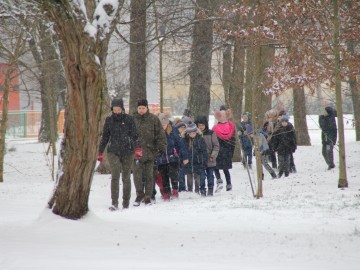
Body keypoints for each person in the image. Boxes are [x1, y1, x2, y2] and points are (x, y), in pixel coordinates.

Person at [98, 98, 139, 211]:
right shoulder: (109, 120)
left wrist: (138, 147)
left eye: (118, 109)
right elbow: (105, 136)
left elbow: (135, 135)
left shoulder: (129, 119)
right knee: (115, 176)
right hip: (113, 151)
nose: (116, 111)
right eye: (114, 109)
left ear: (122, 109)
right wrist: (100, 151)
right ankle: (114, 202)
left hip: (128, 151)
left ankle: (126, 203)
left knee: (126, 177)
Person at [132, 99, 167, 206]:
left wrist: (161, 148)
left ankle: (148, 196)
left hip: (150, 152)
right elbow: (128, 135)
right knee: (137, 176)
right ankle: (139, 195)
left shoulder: (153, 119)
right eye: (139, 108)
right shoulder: (132, 119)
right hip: (136, 153)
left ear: (147, 108)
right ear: (137, 108)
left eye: (143, 108)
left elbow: (160, 135)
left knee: (149, 176)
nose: (141, 110)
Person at [157, 113, 189, 201]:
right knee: (164, 177)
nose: (163, 126)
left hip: (173, 158)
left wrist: (185, 156)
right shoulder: (156, 131)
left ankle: (175, 191)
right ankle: (167, 193)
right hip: (161, 159)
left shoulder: (173, 130)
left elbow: (181, 144)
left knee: (174, 175)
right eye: (161, 124)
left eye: (164, 124)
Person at [195, 115, 219, 196]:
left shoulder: (211, 133)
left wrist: (213, 155)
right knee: (201, 176)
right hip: (200, 159)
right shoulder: (195, 134)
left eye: (202, 125)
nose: (201, 127)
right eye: (199, 125)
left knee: (210, 175)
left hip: (210, 158)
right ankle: (202, 189)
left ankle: (210, 189)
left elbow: (216, 146)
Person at [212, 109, 236, 191]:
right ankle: (229, 184)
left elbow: (213, 142)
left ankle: (219, 180)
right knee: (226, 169)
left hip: (218, 151)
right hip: (228, 151)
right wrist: (231, 153)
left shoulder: (215, 128)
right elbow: (234, 141)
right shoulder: (231, 126)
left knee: (215, 167)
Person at [182, 122, 208, 195]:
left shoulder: (200, 139)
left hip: (198, 161)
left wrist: (203, 160)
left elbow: (204, 151)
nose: (192, 134)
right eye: (191, 133)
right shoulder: (185, 140)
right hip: (189, 162)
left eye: (194, 133)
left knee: (197, 178)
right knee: (189, 178)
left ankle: (197, 191)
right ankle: (190, 191)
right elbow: (183, 149)